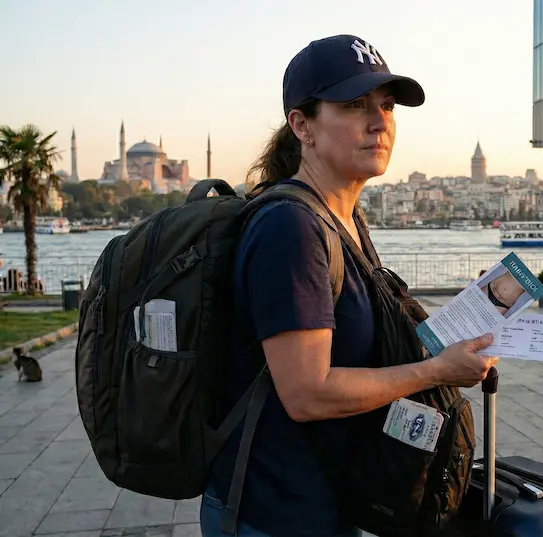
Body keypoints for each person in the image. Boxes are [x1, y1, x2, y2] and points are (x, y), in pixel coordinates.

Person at [202, 34, 499, 537]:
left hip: (334, 502)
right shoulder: (290, 229)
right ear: (303, 125)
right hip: (278, 513)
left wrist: (458, 334)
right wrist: (434, 371)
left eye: (386, 105)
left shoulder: (345, 220)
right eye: (355, 105)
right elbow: (308, 393)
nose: (379, 120)